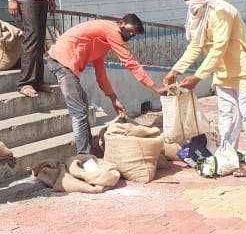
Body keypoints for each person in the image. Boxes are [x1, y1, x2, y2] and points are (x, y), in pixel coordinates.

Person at [164, 0, 246, 177]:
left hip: (245, 70)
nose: (191, 1)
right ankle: (229, 157)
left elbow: (219, 47)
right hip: (223, 74)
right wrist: (175, 70)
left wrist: (198, 77)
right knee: (227, 117)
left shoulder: (222, 10)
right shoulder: (200, 14)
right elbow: (196, 46)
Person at [46, 14, 166, 155]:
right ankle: (84, 155)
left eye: (134, 34)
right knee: (79, 112)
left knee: (82, 107)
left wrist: (113, 98)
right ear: (121, 23)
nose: (131, 35)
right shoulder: (112, 30)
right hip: (61, 62)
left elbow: (101, 75)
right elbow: (131, 63)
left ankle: (88, 149)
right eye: (130, 31)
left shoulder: (102, 41)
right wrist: (156, 88)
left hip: (63, 63)